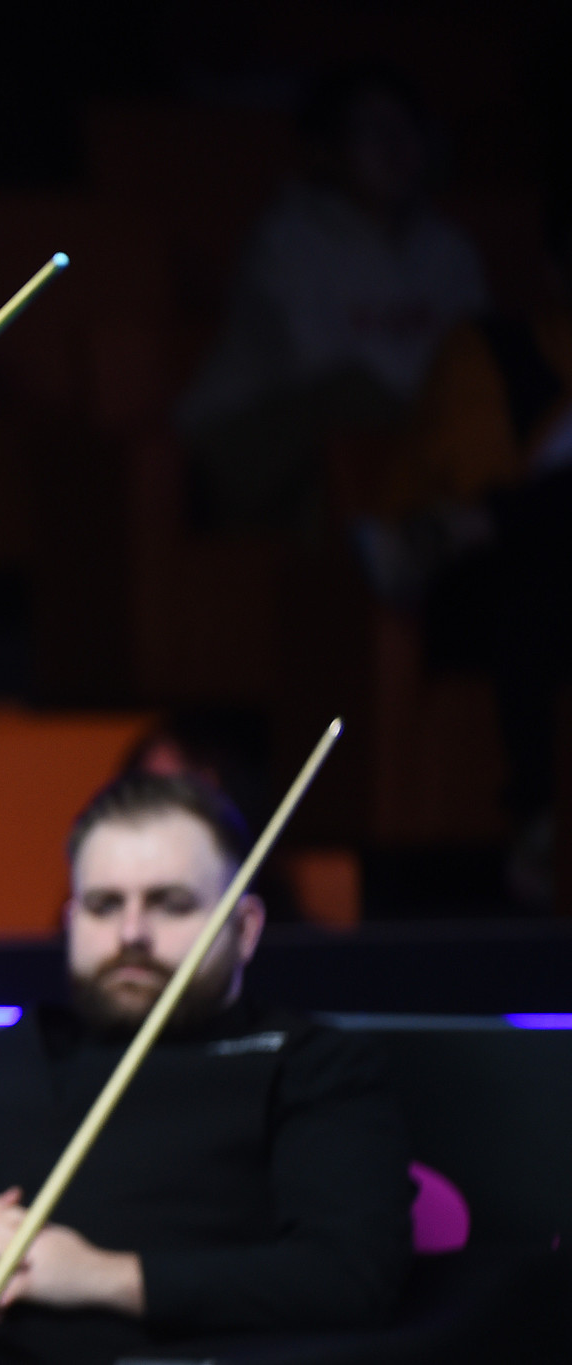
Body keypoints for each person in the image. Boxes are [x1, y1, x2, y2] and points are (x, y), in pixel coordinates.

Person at [0, 772, 414, 1365]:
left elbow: (349, 1277)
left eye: (170, 904)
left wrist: (103, 1277)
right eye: (105, 905)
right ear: (73, 920)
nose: (132, 933)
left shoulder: (312, 1066)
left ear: (243, 928)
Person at [354, 198, 572, 909]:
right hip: (497, 582)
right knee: (541, 585)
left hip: (513, 544)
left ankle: (541, 823)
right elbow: (475, 476)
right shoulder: (493, 346)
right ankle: (537, 818)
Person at [178, 65, 486, 535]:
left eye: (406, 128)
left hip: (379, 445)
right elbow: (319, 365)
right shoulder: (286, 240)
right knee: (357, 397)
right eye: (371, 132)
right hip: (250, 441)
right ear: (326, 151)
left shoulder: (450, 250)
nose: (394, 146)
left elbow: (474, 360)